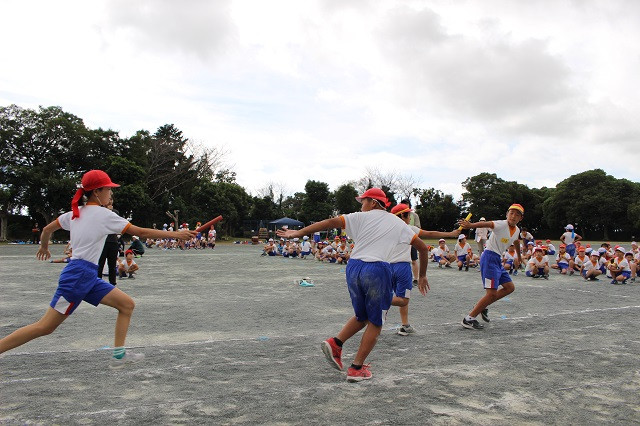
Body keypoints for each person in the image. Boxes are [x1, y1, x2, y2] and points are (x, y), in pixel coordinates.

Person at [0, 170, 195, 368]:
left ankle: (118, 356)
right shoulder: (104, 215)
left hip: (87, 275)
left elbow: (47, 230)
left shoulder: (74, 214)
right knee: (45, 326)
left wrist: (44, 246)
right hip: (78, 276)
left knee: (126, 305)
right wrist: (177, 235)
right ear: (96, 191)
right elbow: (140, 232)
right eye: (108, 189)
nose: (111, 193)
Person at [277, 187, 429, 383]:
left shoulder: (359, 218)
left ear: (374, 202)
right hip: (376, 269)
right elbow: (423, 248)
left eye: (363, 201)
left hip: (354, 267)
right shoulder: (397, 223)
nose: (362, 205)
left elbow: (330, 222)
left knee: (363, 315)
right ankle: (357, 368)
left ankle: (336, 343)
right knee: (376, 321)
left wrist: (299, 232)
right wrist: (422, 275)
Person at [389, 203, 458, 336]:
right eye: (408, 214)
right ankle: (404, 324)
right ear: (403, 216)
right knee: (403, 298)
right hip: (402, 266)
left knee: (388, 295)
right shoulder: (408, 228)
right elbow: (430, 233)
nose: (410, 217)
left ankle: (377, 324)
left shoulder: (386, 228)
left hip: (386, 266)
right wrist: (451, 233)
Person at [458, 203, 524, 330]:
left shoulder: (517, 231)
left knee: (509, 287)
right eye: (511, 213)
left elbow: (516, 241)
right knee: (491, 293)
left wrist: (519, 257)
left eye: (517, 215)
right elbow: (487, 224)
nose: (513, 216)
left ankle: (484, 305)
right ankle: (469, 319)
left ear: (520, 218)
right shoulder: (502, 224)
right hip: (489, 258)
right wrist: (471, 225)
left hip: (497, 260)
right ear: (507, 214)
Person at [97, 196, 119, 286]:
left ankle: (112, 283)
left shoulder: (115, 212)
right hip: (102, 241)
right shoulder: (100, 211)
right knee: (100, 263)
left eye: (111, 199)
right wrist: (108, 210)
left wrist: (110, 211)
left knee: (112, 265)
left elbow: (115, 222)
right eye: (108, 199)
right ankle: (97, 282)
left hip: (113, 240)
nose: (110, 201)